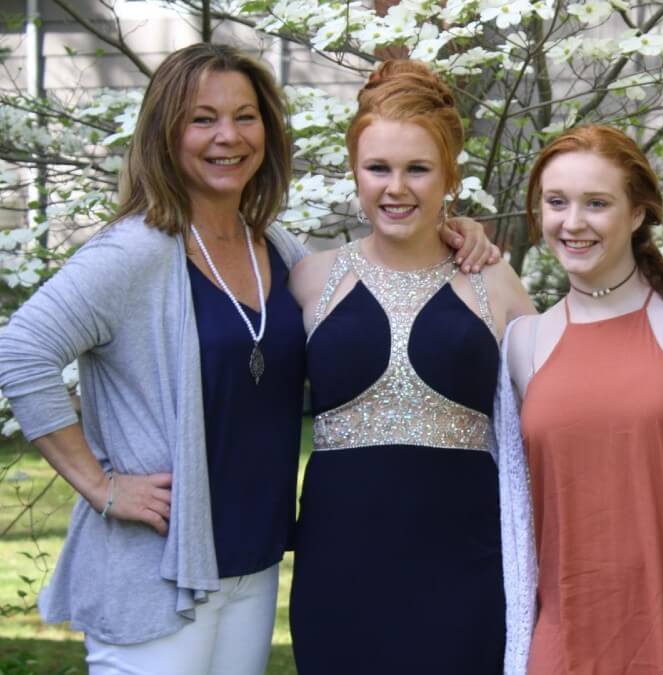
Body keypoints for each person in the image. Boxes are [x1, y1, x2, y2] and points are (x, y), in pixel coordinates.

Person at [0, 44, 494, 674]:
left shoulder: (276, 250)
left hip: (254, 565)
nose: (227, 137)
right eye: (202, 119)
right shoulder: (136, 252)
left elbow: (369, 277)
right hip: (161, 568)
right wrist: (102, 487)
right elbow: (21, 351)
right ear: (164, 133)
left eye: (245, 117)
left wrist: (454, 228)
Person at [286, 58, 534, 674]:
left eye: (418, 169)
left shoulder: (496, 284)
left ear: (449, 175)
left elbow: (546, 424)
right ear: (356, 173)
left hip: (466, 566)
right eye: (379, 168)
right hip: (339, 566)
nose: (396, 188)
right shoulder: (309, 278)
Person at [495, 125, 663, 675]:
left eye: (597, 203)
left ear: (637, 214)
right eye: (556, 202)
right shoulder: (522, 344)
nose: (573, 222)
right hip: (566, 646)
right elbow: (519, 523)